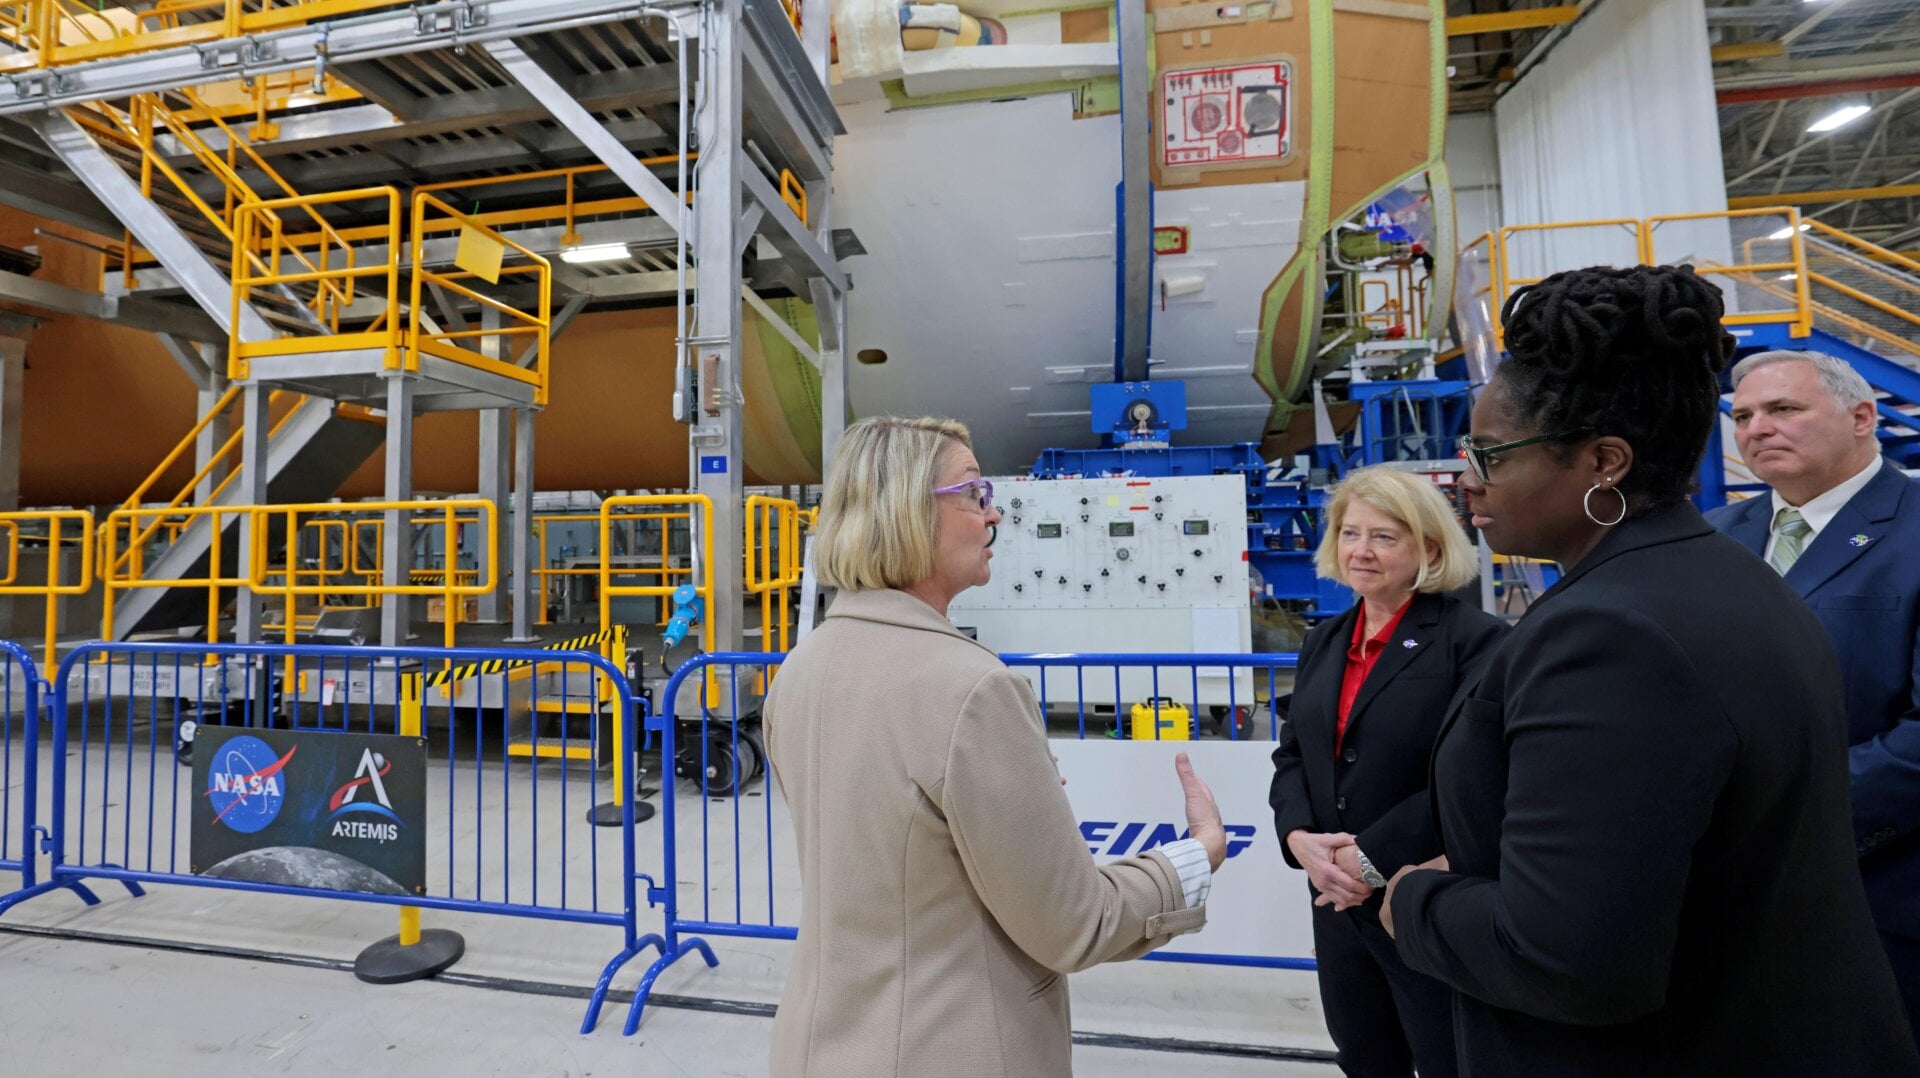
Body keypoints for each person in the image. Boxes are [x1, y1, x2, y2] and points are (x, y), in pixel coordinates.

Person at [1381, 265, 1919, 1076]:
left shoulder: (1610, 633)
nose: (1467, 480)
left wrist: (1411, 901)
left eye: (1488, 454)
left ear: (1604, 461)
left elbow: (1569, 961)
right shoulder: (1723, 571)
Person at [762, 415, 1229, 1077]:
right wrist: (1194, 858)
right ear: (906, 514)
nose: (995, 516)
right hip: (948, 1045)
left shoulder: (801, 670)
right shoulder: (972, 689)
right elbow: (1074, 922)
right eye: (973, 495)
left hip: (823, 1042)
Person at [1709, 348, 1920, 1034]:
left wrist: (1776, 813)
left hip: (1883, 894)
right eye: (1742, 417)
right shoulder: (1715, 541)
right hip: (1734, 898)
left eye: (1783, 410)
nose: (1756, 429)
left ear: (1863, 417)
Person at [1269, 465, 1504, 1077]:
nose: (1361, 551)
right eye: (1350, 534)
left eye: (1383, 537)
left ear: (1428, 547)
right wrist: (1302, 842)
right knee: (1365, 1056)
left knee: (1446, 1056)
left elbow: (1469, 776)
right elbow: (1294, 754)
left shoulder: (1474, 642)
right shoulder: (1325, 641)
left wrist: (1367, 860)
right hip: (1336, 903)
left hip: (1423, 898)